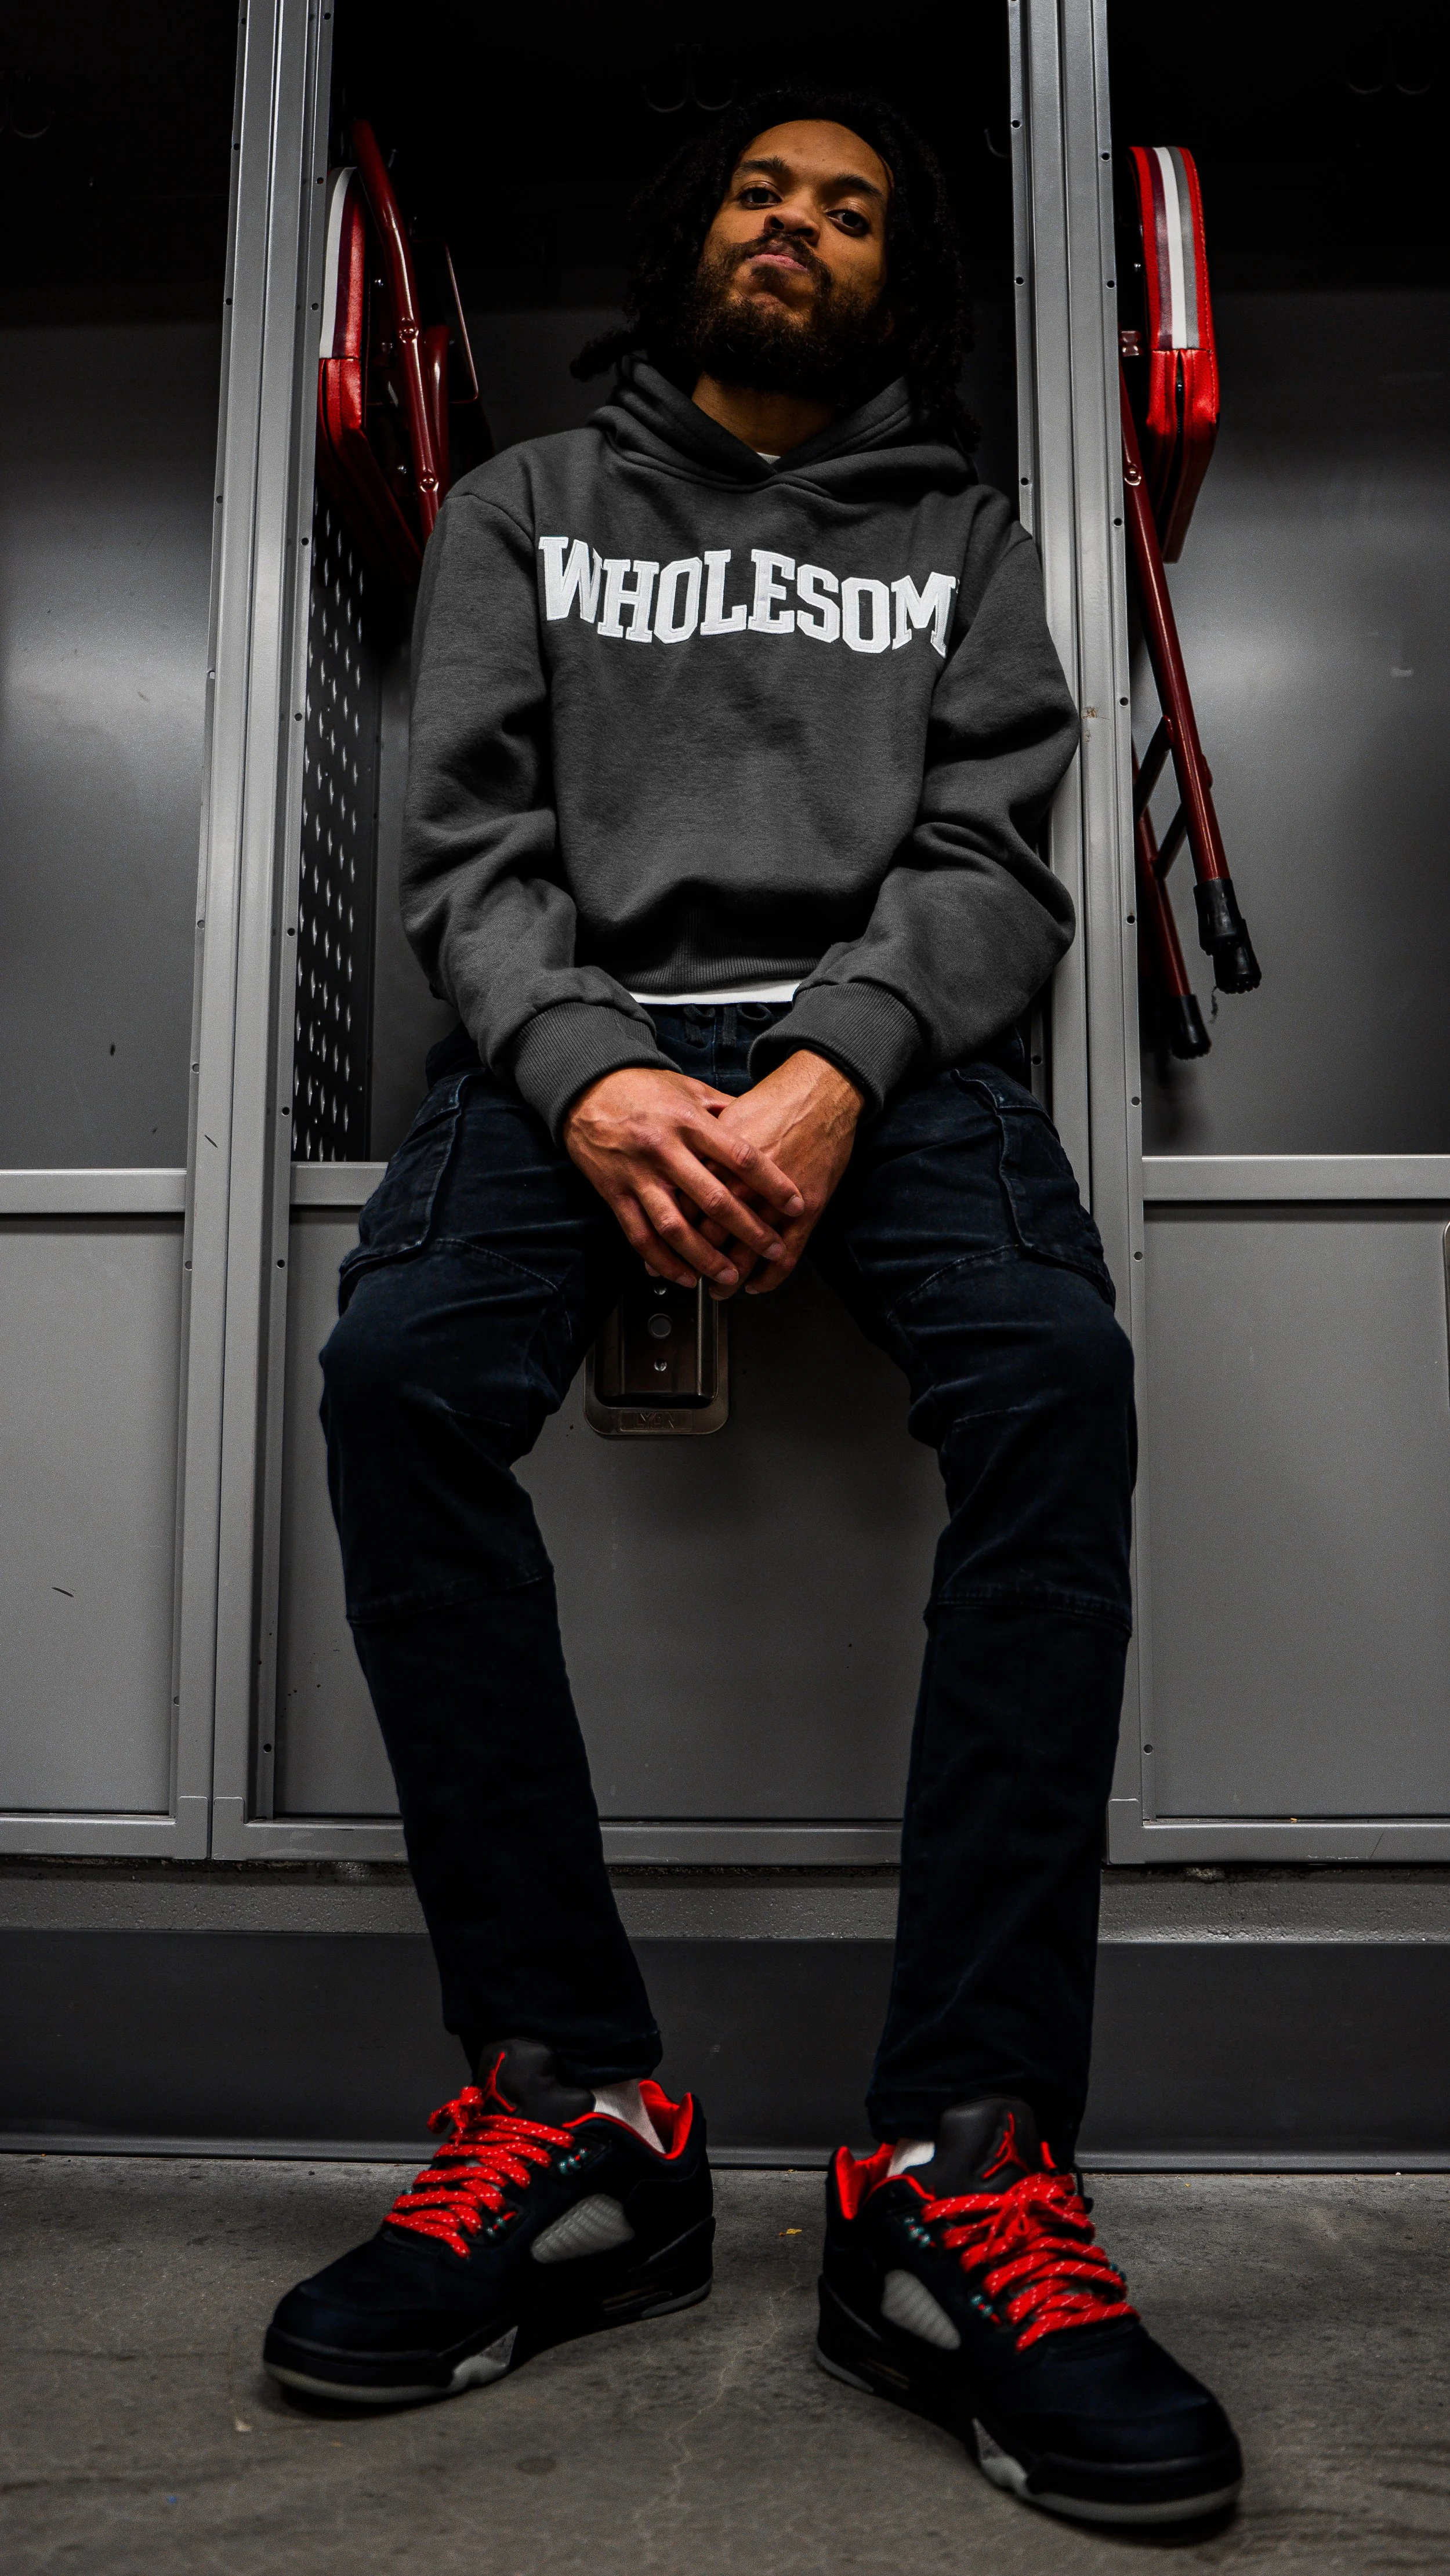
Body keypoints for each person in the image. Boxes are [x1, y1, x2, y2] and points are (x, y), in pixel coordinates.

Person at [263, 89, 1241, 2526]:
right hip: (576, 1052)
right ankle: (575, 2106)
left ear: (900, 279)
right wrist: (593, 1074)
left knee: (1054, 1374)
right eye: (756, 191)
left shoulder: (959, 535)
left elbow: (994, 852)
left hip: (880, 1066)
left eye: (850, 208)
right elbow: (467, 843)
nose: (794, 225)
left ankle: (955, 2164)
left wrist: (835, 1063)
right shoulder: (524, 508)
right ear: (688, 237)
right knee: (395, 1373)